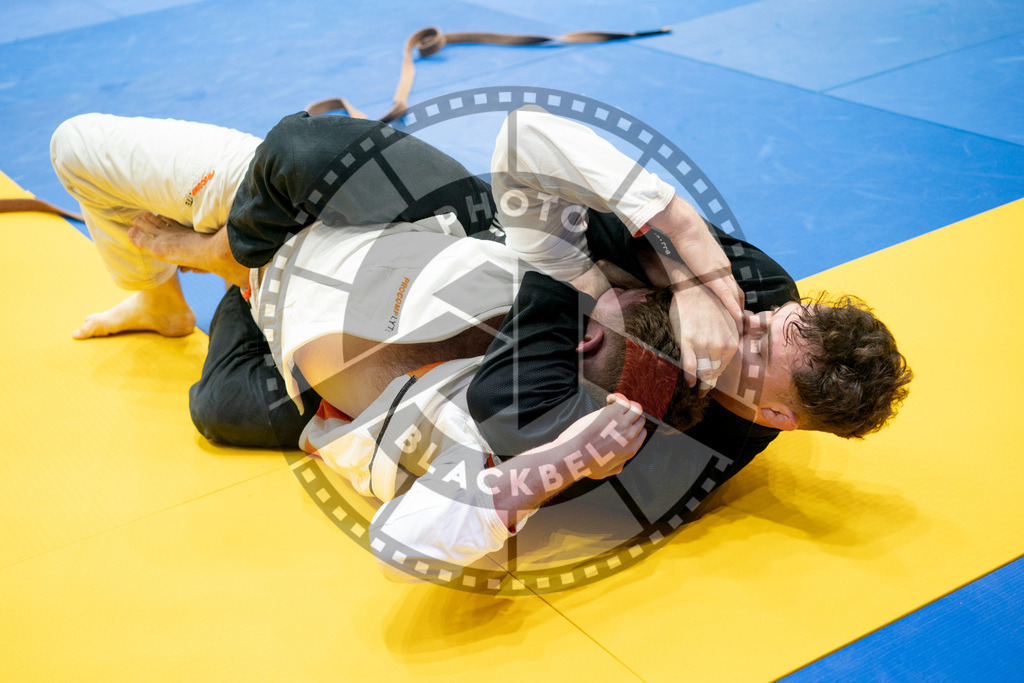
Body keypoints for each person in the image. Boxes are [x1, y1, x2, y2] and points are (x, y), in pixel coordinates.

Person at [50, 107, 911, 573]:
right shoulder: (728, 286)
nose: (742, 327)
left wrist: (557, 463)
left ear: (769, 415)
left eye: (755, 351)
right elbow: (528, 144)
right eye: (765, 323)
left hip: (302, 324)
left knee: (218, 410)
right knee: (84, 148)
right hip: (337, 217)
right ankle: (175, 280)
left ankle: (212, 283)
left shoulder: (589, 428)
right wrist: (695, 274)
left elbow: (421, 531)